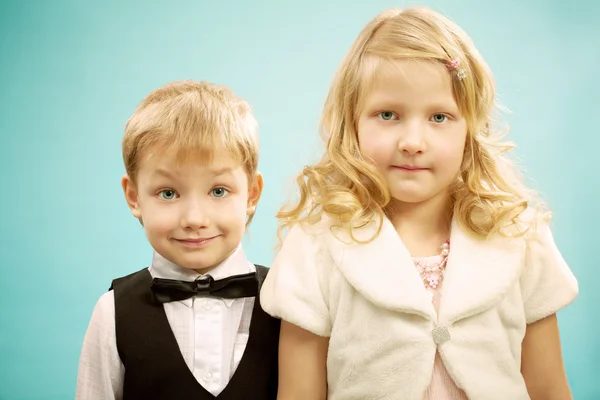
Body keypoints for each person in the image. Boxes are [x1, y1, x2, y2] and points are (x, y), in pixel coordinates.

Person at [260, 7, 578, 400]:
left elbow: (549, 389)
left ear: (471, 129)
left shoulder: (518, 236)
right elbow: (299, 393)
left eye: (440, 117)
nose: (413, 141)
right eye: (388, 114)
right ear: (352, 122)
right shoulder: (315, 245)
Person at [76, 80, 279, 400]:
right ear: (134, 196)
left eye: (218, 191)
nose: (195, 219)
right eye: (168, 193)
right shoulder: (112, 312)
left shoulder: (288, 299)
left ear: (251, 194)